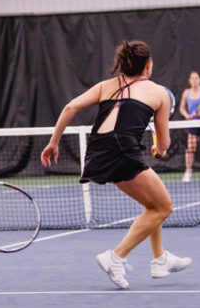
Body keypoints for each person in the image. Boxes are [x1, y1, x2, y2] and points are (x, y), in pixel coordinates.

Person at [40, 40, 191, 289]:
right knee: (162, 208)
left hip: (98, 152)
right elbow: (163, 144)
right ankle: (116, 257)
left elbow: (70, 107)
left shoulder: (106, 85)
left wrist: (54, 143)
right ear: (148, 66)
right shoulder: (159, 93)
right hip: (122, 152)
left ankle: (160, 259)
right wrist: (158, 149)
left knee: (153, 202)